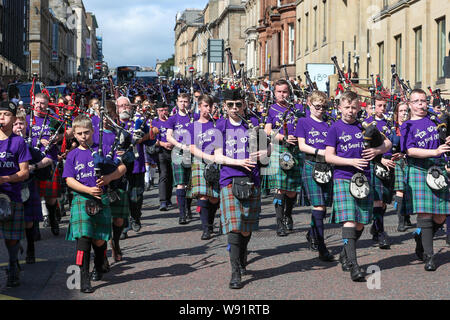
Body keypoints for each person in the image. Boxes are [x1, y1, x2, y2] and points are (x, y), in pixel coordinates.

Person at [325, 91, 391, 282]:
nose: (350, 111)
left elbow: (387, 142)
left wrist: (377, 150)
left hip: (363, 178)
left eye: (354, 107)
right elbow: (329, 156)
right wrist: (351, 161)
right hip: (343, 177)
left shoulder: (365, 127)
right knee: (349, 220)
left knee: (361, 222)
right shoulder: (334, 129)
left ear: (359, 108)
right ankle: (354, 265)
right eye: (346, 107)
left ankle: (346, 253)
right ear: (339, 108)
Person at [63, 115, 126, 293]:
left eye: (87, 132)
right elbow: (68, 179)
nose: (83, 136)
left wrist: (108, 178)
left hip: (101, 199)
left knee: (99, 240)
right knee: (83, 239)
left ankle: (99, 264)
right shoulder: (73, 155)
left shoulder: (104, 149)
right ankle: (83, 278)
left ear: (93, 131)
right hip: (82, 199)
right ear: (74, 134)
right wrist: (88, 190)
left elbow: (122, 168)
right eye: (80, 133)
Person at [215, 88, 269, 289]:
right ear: (225, 107)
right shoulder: (221, 125)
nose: (235, 108)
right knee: (235, 225)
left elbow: (266, 151)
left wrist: (264, 150)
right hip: (229, 179)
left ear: (244, 105)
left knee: (246, 228)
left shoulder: (253, 124)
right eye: (230, 105)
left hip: (252, 179)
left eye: (238, 104)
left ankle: (242, 253)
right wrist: (239, 162)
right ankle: (235, 271)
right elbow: (217, 156)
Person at [400, 89, 450, 271]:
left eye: (423, 101)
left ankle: (420, 239)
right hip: (418, 168)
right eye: (417, 101)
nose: (421, 104)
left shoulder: (435, 120)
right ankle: (429, 256)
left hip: (437, 168)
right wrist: (434, 152)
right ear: (410, 104)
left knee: (441, 215)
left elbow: (442, 140)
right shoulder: (407, 126)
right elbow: (410, 150)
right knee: (425, 214)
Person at [265, 79, 306, 237]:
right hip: (279, 149)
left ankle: (288, 214)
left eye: (285, 92)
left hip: (295, 150)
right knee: (279, 188)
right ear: (274, 93)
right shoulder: (271, 110)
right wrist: (283, 137)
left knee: (291, 191)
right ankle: (279, 221)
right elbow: (268, 131)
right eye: (279, 92)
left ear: (290, 93)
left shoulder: (298, 109)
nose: (282, 94)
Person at [297, 91, 334, 261]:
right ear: (309, 104)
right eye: (317, 106)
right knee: (318, 206)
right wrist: (320, 151)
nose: (320, 110)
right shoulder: (303, 122)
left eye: (324, 107)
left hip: (327, 166)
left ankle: (312, 233)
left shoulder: (330, 124)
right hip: (311, 164)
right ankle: (321, 246)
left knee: (323, 207)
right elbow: (302, 146)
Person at [0, 100, 31, 287]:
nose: (1, 118)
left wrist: (5, 179)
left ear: (13, 119)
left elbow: (25, 172)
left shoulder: (19, 142)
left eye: (5, 114)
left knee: (11, 238)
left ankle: (13, 267)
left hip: (12, 195)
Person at [26, 93, 62, 236]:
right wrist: (37, 142)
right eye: (37, 103)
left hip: (49, 160)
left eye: (43, 104)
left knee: (51, 197)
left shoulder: (53, 120)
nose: (39, 106)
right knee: (33, 196)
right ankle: (35, 228)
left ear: (47, 106)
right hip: (31, 160)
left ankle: (53, 219)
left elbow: (68, 132)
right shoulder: (28, 119)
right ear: (33, 103)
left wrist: (57, 138)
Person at [187, 95, 220, 240]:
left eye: (210, 106)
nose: (208, 109)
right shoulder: (192, 126)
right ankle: (206, 228)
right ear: (199, 106)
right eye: (205, 106)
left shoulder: (217, 124)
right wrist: (207, 157)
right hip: (200, 162)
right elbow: (192, 148)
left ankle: (210, 223)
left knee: (214, 198)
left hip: (217, 162)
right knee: (202, 195)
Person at [13, 111, 43, 265]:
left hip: (28, 185)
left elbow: (47, 159)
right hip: (11, 186)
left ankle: (30, 247)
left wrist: (35, 166)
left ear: (26, 126)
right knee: (12, 222)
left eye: (21, 124)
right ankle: (14, 254)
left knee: (28, 223)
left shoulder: (31, 144)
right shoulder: (7, 143)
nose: (19, 127)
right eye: (16, 124)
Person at [365, 95, 395, 249]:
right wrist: (380, 158)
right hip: (375, 163)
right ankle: (381, 232)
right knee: (377, 200)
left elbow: (392, 141)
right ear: (373, 106)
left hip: (389, 165)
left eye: (384, 105)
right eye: (379, 105)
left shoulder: (389, 123)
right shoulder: (367, 123)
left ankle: (376, 228)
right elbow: (365, 148)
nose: (382, 108)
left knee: (384, 201)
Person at [166, 93, 194, 225]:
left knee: (190, 184)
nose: (183, 104)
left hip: (193, 153)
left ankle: (188, 208)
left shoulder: (194, 117)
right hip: (178, 153)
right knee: (180, 183)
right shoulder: (172, 119)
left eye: (186, 101)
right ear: (177, 103)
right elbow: (168, 136)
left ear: (189, 103)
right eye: (181, 101)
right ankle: (182, 214)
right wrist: (180, 145)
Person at [391, 102, 413, 231]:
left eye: (406, 110)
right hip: (397, 161)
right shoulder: (393, 127)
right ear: (396, 113)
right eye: (401, 110)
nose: (404, 113)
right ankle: (400, 221)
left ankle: (406, 215)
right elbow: (393, 143)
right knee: (400, 190)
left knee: (408, 189)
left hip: (410, 159)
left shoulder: (411, 125)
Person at [152, 103, 174, 211]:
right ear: (157, 111)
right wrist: (163, 144)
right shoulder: (155, 122)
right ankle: (163, 201)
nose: (163, 112)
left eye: (165, 110)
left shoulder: (172, 121)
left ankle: (168, 198)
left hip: (173, 151)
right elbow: (152, 139)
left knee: (171, 176)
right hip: (161, 151)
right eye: (161, 110)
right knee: (164, 174)